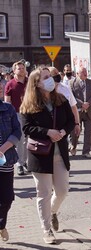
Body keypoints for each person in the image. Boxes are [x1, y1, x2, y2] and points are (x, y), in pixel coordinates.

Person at [20, 67, 75, 244]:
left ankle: (52, 212)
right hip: (40, 153)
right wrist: (47, 132)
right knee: (43, 193)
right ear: (37, 83)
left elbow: (70, 121)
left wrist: (62, 132)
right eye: (45, 77)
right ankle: (46, 229)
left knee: (62, 190)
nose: (50, 79)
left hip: (60, 152)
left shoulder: (60, 99)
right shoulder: (28, 104)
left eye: (50, 76)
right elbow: (27, 128)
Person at [0, 81, 21, 242]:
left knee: (7, 197)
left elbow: (17, 131)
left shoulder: (8, 109)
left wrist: (4, 148)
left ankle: (1, 224)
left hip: (5, 160)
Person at [4, 60, 28, 176]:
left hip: (31, 113)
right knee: (20, 139)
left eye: (23, 68)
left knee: (29, 139)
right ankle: (20, 164)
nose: (21, 70)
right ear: (14, 71)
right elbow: (7, 102)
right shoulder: (10, 84)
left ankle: (26, 160)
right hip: (17, 114)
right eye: (19, 68)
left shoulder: (30, 82)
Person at [49, 67, 81, 148]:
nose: (58, 75)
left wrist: (77, 123)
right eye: (55, 74)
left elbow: (73, 106)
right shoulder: (44, 90)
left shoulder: (65, 88)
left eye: (58, 73)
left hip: (64, 127)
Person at [69, 66, 91, 158]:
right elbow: (71, 96)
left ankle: (86, 151)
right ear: (77, 74)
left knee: (89, 132)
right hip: (77, 111)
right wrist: (81, 104)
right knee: (75, 131)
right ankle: (73, 146)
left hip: (89, 111)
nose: (85, 73)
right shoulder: (72, 83)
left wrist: (88, 103)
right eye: (82, 72)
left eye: (86, 71)